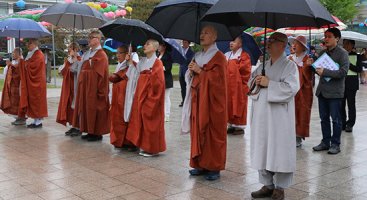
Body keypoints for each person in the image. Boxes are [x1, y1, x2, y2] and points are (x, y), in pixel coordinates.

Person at [249, 32, 300, 200]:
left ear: (283, 44)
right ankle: (267, 184)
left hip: (279, 116)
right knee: (262, 146)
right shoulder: (263, 64)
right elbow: (250, 83)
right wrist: (256, 80)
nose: (268, 44)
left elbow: (291, 88)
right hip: (261, 114)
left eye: (272, 41)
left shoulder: (289, 66)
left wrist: (269, 83)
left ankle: (280, 187)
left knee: (279, 148)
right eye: (268, 41)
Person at [182, 25, 227, 181]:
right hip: (198, 100)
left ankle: (214, 166)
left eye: (206, 33)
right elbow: (190, 77)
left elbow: (220, 82)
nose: (202, 35)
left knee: (212, 133)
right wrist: (191, 71)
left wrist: (201, 72)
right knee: (197, 131)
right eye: (201, 32)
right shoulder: (198, 55)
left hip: (213, 103)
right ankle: (199, 163)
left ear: (214, 37)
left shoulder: (219, 57)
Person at [310, 28, 349, 155]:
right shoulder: (322, 53)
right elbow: (318, 69)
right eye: (325, 36)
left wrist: (325, 72)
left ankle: (335, 144)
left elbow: (343, 72)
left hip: (335, 93)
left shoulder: (342, 53)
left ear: (337, 38)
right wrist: (312, 66)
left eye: (329, 36)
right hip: (322, 91)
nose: (326, 39)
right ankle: (325, 142)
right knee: (323, 119)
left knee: (336, 119)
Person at [125, 39, 166, 157]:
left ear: (154, 48)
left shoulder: (157, 63)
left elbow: (158, 83)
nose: (144, 46)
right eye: (145, 44)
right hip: (140, 94)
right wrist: (130, 61)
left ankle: (152, 148)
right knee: (140, 120)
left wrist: (152, 99)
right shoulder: (143, 61)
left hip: (150, 96)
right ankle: (141, 144)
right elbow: (137, 73)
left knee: (150, 122)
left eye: (148, 44)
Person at [72, 30, 110, 142]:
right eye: (89, 37)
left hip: (95, 87)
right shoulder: (88, 53)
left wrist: (85, 71)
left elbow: (99, 73)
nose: (89, 39)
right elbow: (82, 66)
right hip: (86, 86)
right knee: (87, 108)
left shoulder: (101, 55)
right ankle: (89, 130)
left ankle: (96, 133)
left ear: (98, 39)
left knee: (94, 109)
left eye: (91, 37)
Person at [288, 36, 314, 147]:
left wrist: (307, 67)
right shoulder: (289, 58)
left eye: (297, 44)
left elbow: (309, 79)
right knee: (290, 112)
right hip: (291, 91)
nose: (294, 45)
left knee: (302, 113)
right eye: (293, 43)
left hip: (304, 92)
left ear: (303, 47)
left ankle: (298, 137)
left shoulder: (307, 59)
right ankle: (289, 135)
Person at [224, 36, 251, 135]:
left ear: (240, 44)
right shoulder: (227, 55)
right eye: (231, 41)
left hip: (239, 86)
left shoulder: (244, 56)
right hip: (228, 85)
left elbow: (245, 71)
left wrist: (231, 64)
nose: (231, 43)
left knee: (239, 104)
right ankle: (231, 124)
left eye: (234, 41)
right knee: (229, 104)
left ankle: (239, 127)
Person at [18, 38, 48, 128]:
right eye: (28, 43)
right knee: (33, 101)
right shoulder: (32, 53)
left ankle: (38, 122)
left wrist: (24, 63)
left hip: (37, 82)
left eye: (30, 43)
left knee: (37, 101)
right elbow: (28, 64)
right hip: (32, 82)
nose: (28, 45)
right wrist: (23, 61)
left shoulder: (38, 54)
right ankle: (35, 121)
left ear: (35, 44)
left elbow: (34, 66)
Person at [109, 45, 133, 148]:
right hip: (118, 95)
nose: (118, 55)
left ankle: (128, 142)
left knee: (126, 118)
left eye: (120, 53)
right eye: (117, 53)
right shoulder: (120, 65)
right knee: (118, 118)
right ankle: (119, 140)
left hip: (126, 95)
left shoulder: (130, 65)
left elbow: (119, 77)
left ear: (127, 54)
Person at [56, 42, 81, 136]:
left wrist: (74, 61)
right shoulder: (67, 60)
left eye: (71, 48)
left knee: (75, 105)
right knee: (69, 105)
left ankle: (78, 127)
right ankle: (72, 126)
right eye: (69, 48)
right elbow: (63, 71)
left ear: (76, 50)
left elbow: (78, 71)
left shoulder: (79, 59)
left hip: (75, 86)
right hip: (67, 86)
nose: (69, 49)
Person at [342, 39, 363, 132]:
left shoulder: (357, 56)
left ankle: (350, 124)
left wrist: (349, 64)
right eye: (344, 43)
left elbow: (359, 69)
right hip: (341, 83)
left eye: (347, 44)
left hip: (352, 84)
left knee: (351, 105)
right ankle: (342, 123)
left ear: (352, 45)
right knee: (341, 105)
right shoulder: (341, 55)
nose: (345, 45)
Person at [0, 48, 26, 125]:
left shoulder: (21, 61)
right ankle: (18, 118)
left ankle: (21, 118)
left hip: (19, 86)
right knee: (14, 103)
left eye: (14, 53)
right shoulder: (16, 61)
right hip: (14, 86)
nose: (12, 55)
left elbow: (18, 73)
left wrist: (10, 65)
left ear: (18, 53)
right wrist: (9, 65)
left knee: (19, 103)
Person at [158, 43, 173, 122]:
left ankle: (167, 115)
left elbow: (168, 68)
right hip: (159, 79)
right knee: (160, 97)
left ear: (164, 47)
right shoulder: (158, 55)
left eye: (160, 45)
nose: (158, 47)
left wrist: (159, 67)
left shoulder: (168, 56)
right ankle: (161, 113)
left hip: (166, 79)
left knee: (166, 97)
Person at [178, 40, 194, 107]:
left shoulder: (191, 52)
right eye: (183, 42)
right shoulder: (181, 51)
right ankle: (183, 101)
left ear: (188, 43)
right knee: (182, 88)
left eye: (185, 42)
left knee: (188, 87)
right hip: (181, 72)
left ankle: (189, 101)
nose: (183, 44)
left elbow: (190, 61)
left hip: (187, 72)